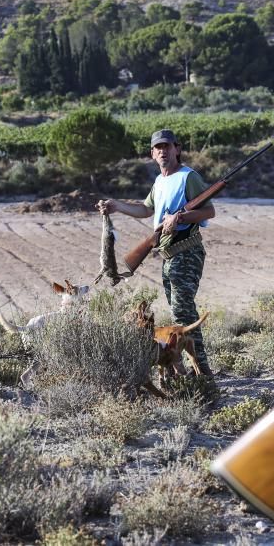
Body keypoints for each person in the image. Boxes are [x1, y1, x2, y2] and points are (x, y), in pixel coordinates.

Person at [98, 129, 215, 375]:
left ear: (177, 149)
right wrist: (116, 206)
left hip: (187, 252)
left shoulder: (188, 177)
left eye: (167, 146)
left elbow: (208, 212)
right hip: (169, 256)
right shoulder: (160, 181)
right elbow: (146, 209)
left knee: (184, 312)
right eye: (158, 147)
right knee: (178, 311)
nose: (163, 151)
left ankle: (202, 373)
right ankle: (182, 369)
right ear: (152, 153)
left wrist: (180, 217)